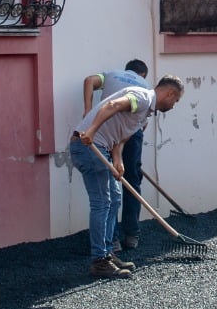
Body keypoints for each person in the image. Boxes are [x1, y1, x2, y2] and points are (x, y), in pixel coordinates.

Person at [70, 76, 184, 278]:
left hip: (103, 148)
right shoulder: (141, 98)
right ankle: (99, 261)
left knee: (114, 199)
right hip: (89, 146)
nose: (174, 106)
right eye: (175, 101)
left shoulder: (145, 114)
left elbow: (120, 136)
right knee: (102, 202)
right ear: (170, 93)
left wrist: (118, 159)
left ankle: (107, 253)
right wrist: (92, 130)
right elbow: (113, 105)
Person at [82, 58, 150, 251]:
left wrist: (88, 111)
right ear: (143, 74)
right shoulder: (145, 86)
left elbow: (89, 80)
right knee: (132, 181)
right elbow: (143, 123)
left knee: (109, 185)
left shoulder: (112, 75)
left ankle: (112, 240)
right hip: (128, 132)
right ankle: (131, 234)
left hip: (104, 129)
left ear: (127, 70)